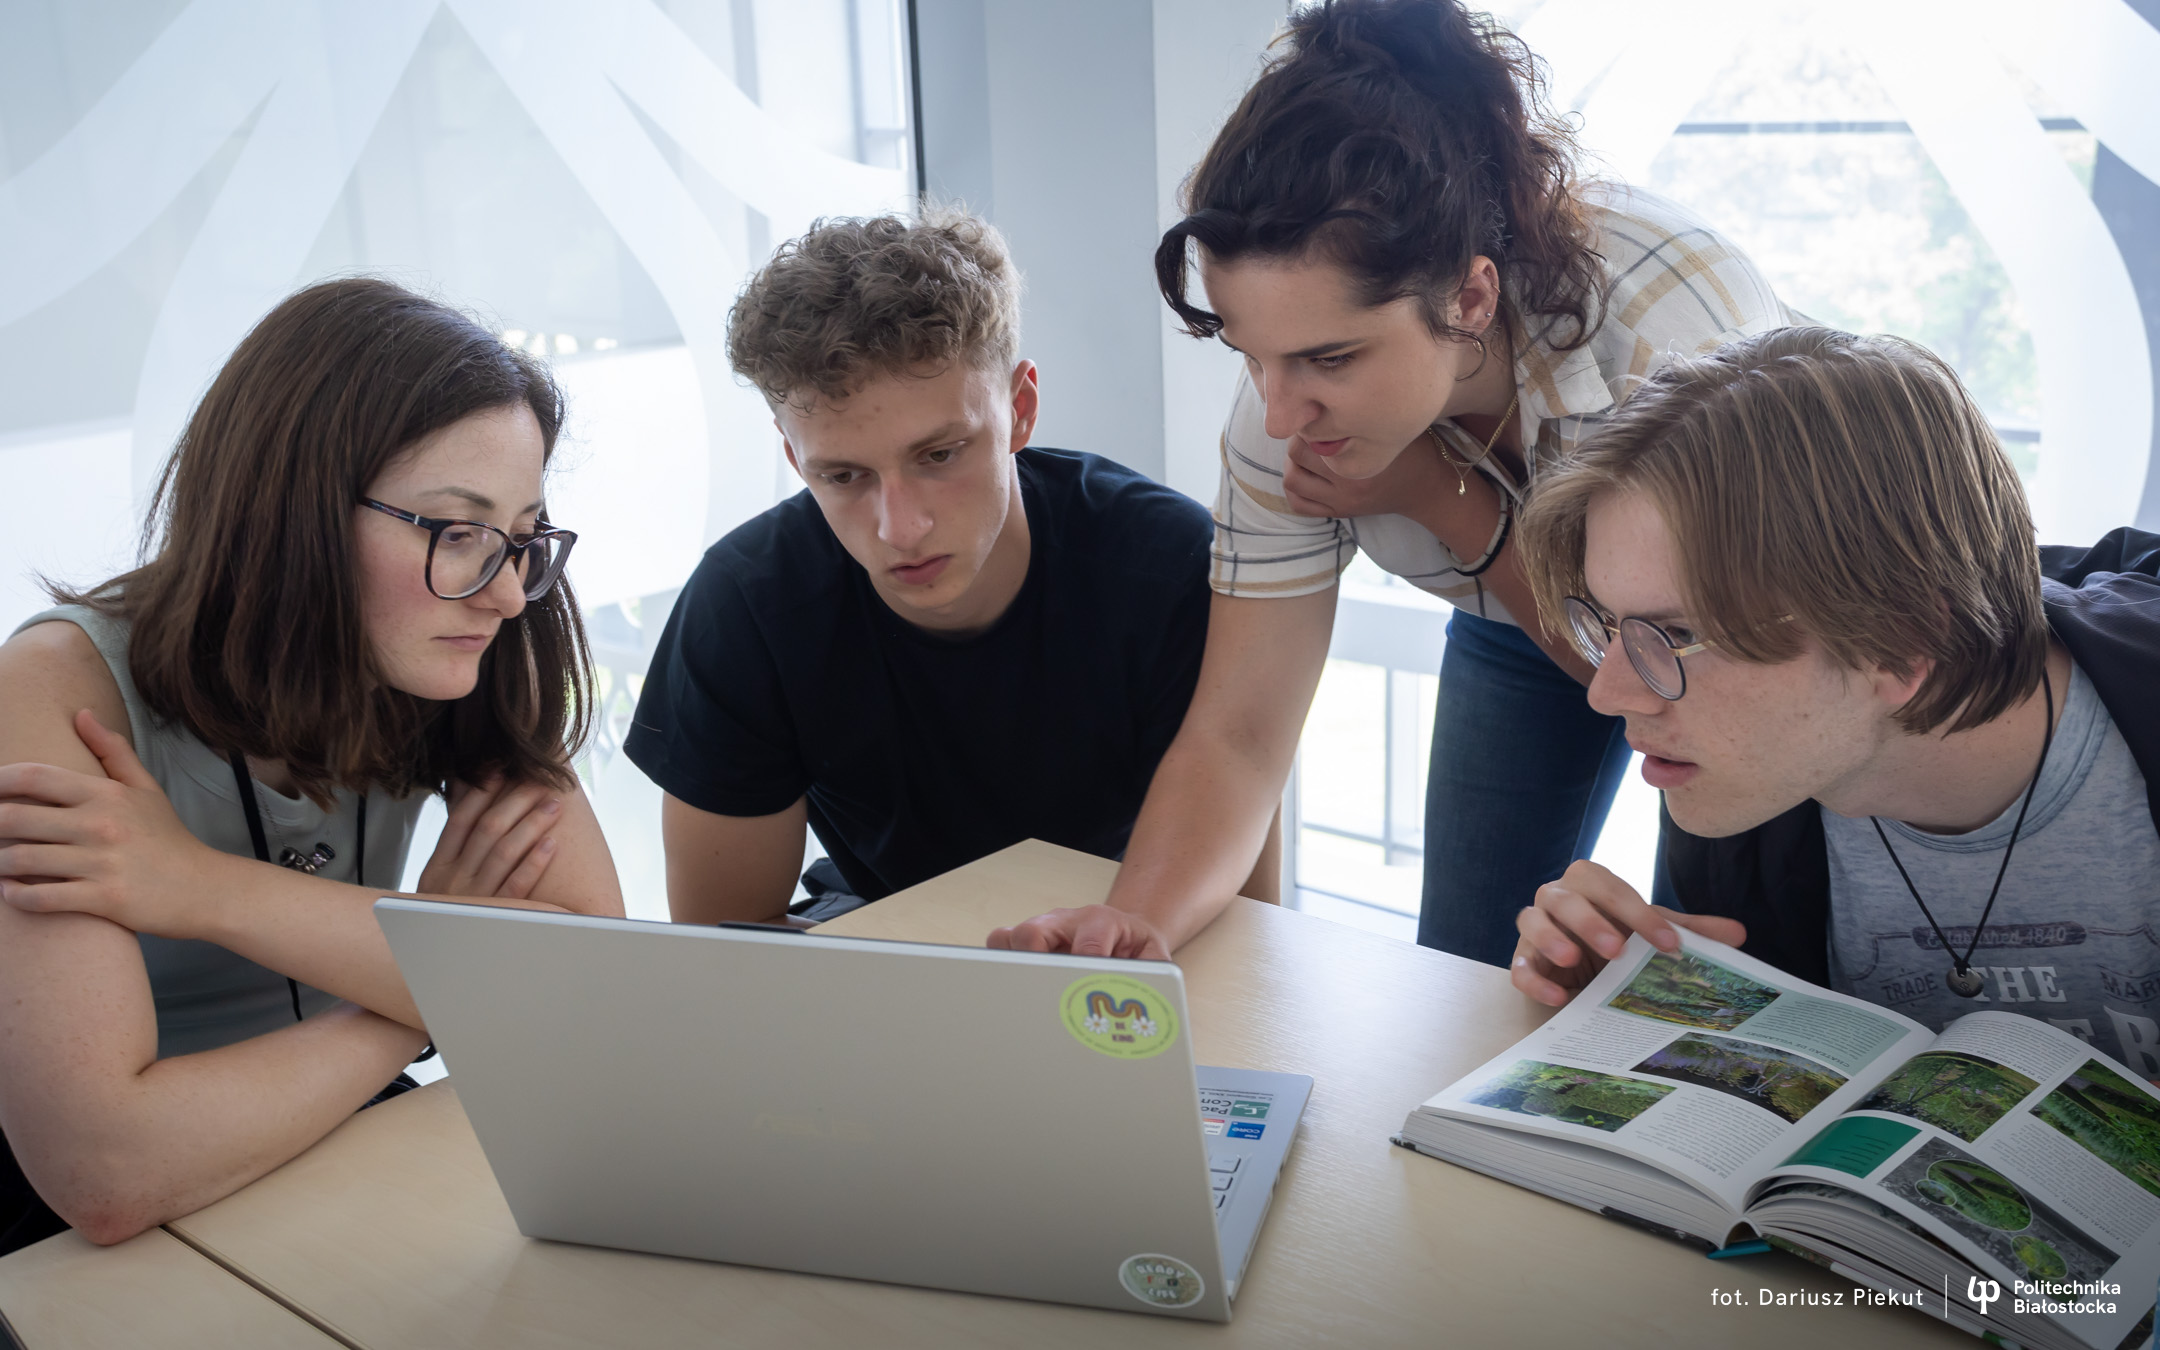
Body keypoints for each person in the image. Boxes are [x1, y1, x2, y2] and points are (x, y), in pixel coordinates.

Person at [989, 0, 1787, 965]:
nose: (1281, 416)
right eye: (1252, 357)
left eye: (1330, 358)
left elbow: (1673, 681)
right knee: (1464, 958)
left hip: (1746, 652)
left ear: (1471, 297)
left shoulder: (1671, 345)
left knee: (1738, 955)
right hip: (1512, 627)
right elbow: (1241, 731)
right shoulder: (1285, 409)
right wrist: (1139, 920)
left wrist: (1442, 497)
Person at [0, 278, 624, 1253]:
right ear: (293, 515)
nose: (507, 594)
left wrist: (199, 887)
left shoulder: (457, 643)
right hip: (87, 1245)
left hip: (345, 1146)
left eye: (520, 537)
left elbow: (600, 994)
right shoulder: (50, 691)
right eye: (458, 531)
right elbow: (107, 1172)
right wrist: (437, 975)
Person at [1507, 326, 2160, 1071]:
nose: (1608, 692)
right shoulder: (1739, 784)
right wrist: (1631, 996)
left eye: (1676, 633)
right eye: (1609, 626)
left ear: (1899, 643)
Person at [624, 211, 1224, 925]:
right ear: (794, 458)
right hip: (877, 937)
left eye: (939, 455)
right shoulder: (745, 605)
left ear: (1020, 409)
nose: (899, 529)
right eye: (843, 476)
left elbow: (1249, 918)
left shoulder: (1170, 566)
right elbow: (729, 953)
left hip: (1132, 930)